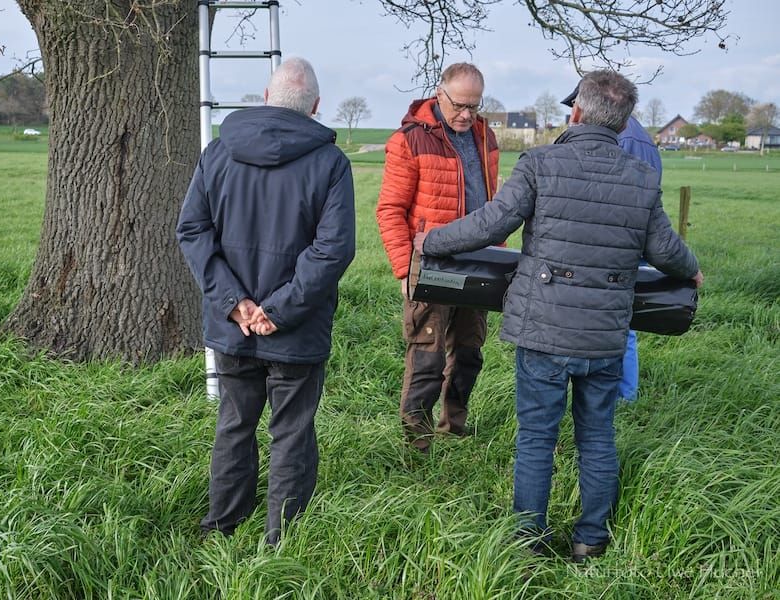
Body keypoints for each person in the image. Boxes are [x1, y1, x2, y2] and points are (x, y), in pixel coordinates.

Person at [415, 70, 704, 562]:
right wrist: (692, 269)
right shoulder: (641, 176)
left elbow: (491, 224)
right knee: (597, 436)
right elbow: (665, 249)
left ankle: (528, 542)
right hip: (604, 336)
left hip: (544, 329)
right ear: (623, 120)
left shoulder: (541, 163)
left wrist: (431, 241)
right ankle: (591, 540)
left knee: (535, 439)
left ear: (576, 112)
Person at [177, 57, 356, 545]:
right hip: (294, 328)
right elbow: (335, 249)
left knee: (234, 424)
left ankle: (221, 528)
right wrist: (275, 310)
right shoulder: (330, 162)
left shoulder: (217, 152)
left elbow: (192, 230)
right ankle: (283, 542)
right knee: (292, 431)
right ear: (315, 106)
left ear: (265, 97)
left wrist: (235, 303)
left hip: (235, 324)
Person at [375, 62, 500, 452]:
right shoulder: (410, 140)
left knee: (468, 353)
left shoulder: (486, 137)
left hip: (481, 261)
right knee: (427, 358)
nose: (466, 115)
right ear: (439, 93)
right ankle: (418, 445)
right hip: (430, 265)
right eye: (460, 105)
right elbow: (390, 209)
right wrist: (403, 270)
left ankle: (454, 429)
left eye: (475, 107)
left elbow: (495, 202)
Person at [561, 85, 664, 402]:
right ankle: (621, 394)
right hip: (631, 240)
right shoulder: (641, 136)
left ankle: (622, 395)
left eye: (574, 107)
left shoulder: (620, 140)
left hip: (611, 245)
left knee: (618, 323)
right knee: (622, 318)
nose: (571, 117)